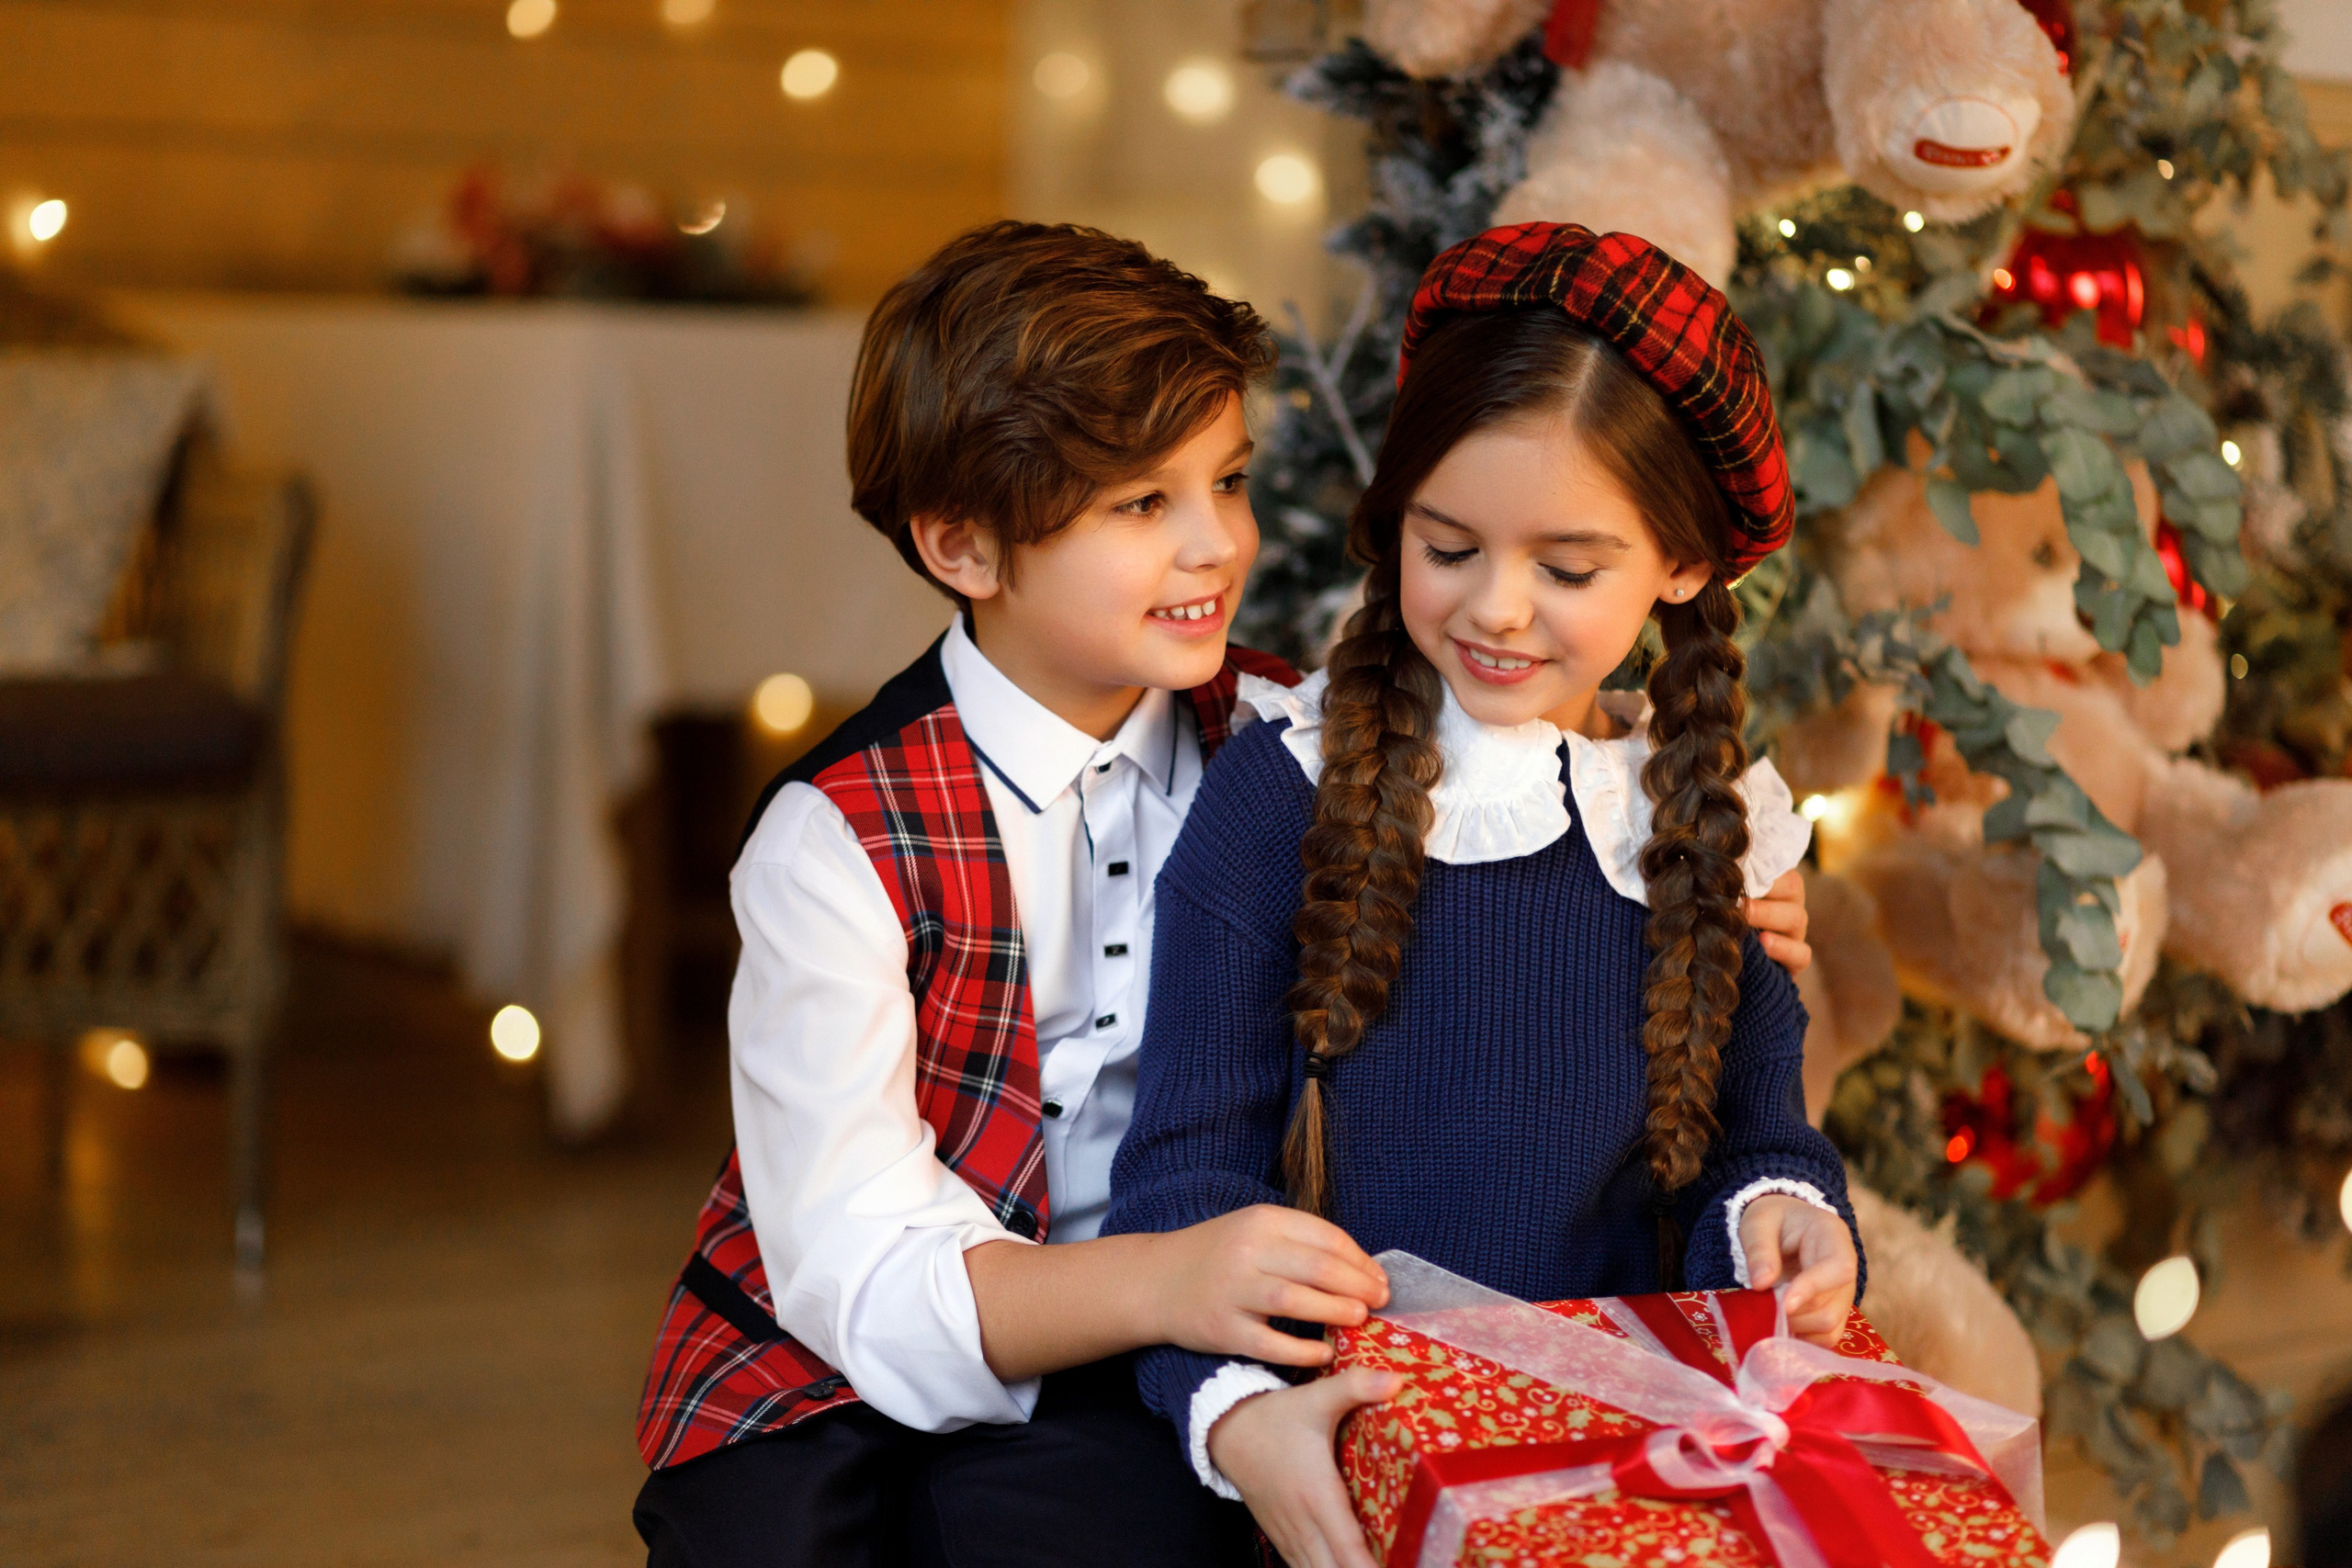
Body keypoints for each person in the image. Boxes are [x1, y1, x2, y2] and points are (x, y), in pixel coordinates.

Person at [629, 220, 1820, 1568]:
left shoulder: (1298, 744)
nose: (1216, 547)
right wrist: (1166, 1280)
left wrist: (1723, 901)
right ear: (964, 545)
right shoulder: (833, 838)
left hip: (1186, 1330)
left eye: (1231, 482)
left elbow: (1548, 796)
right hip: (864, 1360)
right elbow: (864, 1276)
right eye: (1142, 506)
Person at [1101, 221, 1864, 1568]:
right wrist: (1236, 1420)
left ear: (1681, 566)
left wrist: (1788, 1223)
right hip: (1352, 1460)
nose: (1498, 609)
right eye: (1447, 547)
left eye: (1568, 571)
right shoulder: (1282, 792)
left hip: (1645, 1472)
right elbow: (1182, 1178)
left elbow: (1762, 1141)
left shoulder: (1711, 819)